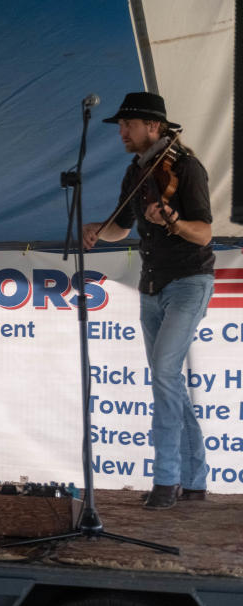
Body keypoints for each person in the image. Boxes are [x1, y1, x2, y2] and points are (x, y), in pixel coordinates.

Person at [82, 92, 214, 510]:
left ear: (154, 126)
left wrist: (173, 220)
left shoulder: (187, 168)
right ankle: (195, 481)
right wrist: (96, 230)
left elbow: (205, 233)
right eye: (121, 126)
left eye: (128, 125)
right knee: (168, 379)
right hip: (151, 286)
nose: (121, 132)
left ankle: (166, 479)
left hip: (189, 282)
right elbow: (121, 227)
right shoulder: (136, 171)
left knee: (163, 375)